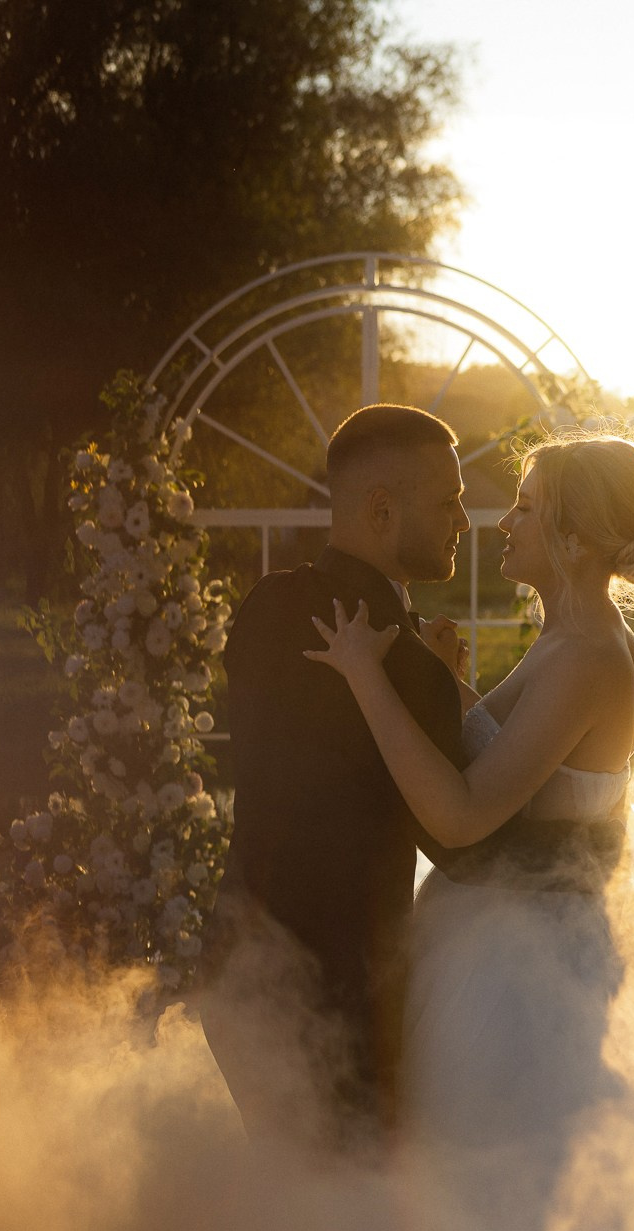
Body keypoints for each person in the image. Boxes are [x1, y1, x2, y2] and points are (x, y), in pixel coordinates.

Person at [305, 431, 634, 1156]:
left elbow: (461, 815)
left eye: (524, 507)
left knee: (491, 1173)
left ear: (573, 540)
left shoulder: (587, 657)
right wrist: (448, 681)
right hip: (496, 927)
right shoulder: (567, 641)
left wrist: (365, 676)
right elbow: (517, 756)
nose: (500, 523)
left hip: (527, 967)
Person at [199, 404, 473, 1147]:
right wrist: (442, 686)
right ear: (382, 510)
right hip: (340, 1004)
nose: (465, 521)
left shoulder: (264, 609)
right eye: (448, 500)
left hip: (241, 974)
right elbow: (455, 844)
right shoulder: (408, 669)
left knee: (292, 1219)